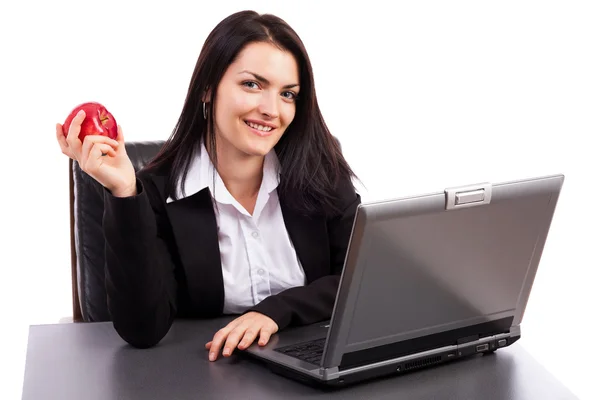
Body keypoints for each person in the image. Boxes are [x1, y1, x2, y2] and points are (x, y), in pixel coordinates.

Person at [55, 10, 361, 362]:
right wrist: (125, 192)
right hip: (204, 374)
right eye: (252, 85)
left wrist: (275, 311)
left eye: (288, 94)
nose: (271, 109)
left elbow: (360, 279)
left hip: (310, 368)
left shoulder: (320, 169)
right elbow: (142, 329)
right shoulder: (158, 191)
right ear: (207, 89)